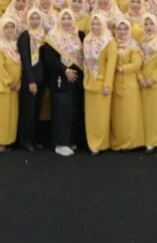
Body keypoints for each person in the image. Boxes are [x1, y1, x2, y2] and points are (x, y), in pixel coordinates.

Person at [44, 9, 85, 157]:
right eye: (63, 18)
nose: (66, 21)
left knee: (74, 110)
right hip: (60, 78)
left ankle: (71, 140)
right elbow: (49, 58)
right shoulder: (52, 37)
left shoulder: (79, 35)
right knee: (62, 111)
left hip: (77, 80)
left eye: (69, 18)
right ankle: (60, 143)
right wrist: (64, 70)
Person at [83, 14, 117, 155]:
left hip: (102, 84)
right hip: (89, 84)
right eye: (93, 24)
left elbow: (111, 64)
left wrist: (108, 84)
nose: (95, 27)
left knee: (101, 116)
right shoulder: (87, 40)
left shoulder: (109, 42)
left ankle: (100, 144)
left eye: (98, 24)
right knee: (91, 116)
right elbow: (85, 63)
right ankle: (91, 143)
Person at [110, 19, 145, 151]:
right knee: (118, 115)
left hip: (130, 84)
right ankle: (118, 141)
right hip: (115, 83)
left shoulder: (133, 44)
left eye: (125, 29)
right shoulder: (112, 43)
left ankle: (130, 143)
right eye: (119, 29)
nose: (122, 32)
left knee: (129, 115)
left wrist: (122, 68)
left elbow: (137, 63)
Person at [0, 16, 22, 152]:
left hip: (14, 86)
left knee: (10, 115)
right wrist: (9, 82)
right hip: (2, 86)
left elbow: (19, 65)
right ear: (0, 29)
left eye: (12, 27)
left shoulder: (15, 45)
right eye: (6, 27)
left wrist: (18, 81)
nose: (9, 30)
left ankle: (7, 140)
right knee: (0, 115)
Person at [138, 14, 157, 152]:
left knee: (156, 113)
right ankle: (145, 140)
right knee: (145, 113)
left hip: (156, 82)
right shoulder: (141, 40)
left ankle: (155, 141)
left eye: (151, 23)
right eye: (146, 24)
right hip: (143, 83)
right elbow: (137, 60)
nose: (149, 26)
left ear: (156, 25)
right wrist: (140, 77)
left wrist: (153, 78)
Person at [17, 9, 46, 150]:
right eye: (32, 18)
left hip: (41, 78)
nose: (35, 21)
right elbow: (25, 60)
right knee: (28, 111)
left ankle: (34, 139)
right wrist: (31, 81)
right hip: (30, 79)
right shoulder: (25, 36)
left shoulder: (43, 35)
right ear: (28, 20)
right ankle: (25, 140)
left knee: (36, 111)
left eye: (37, 18)